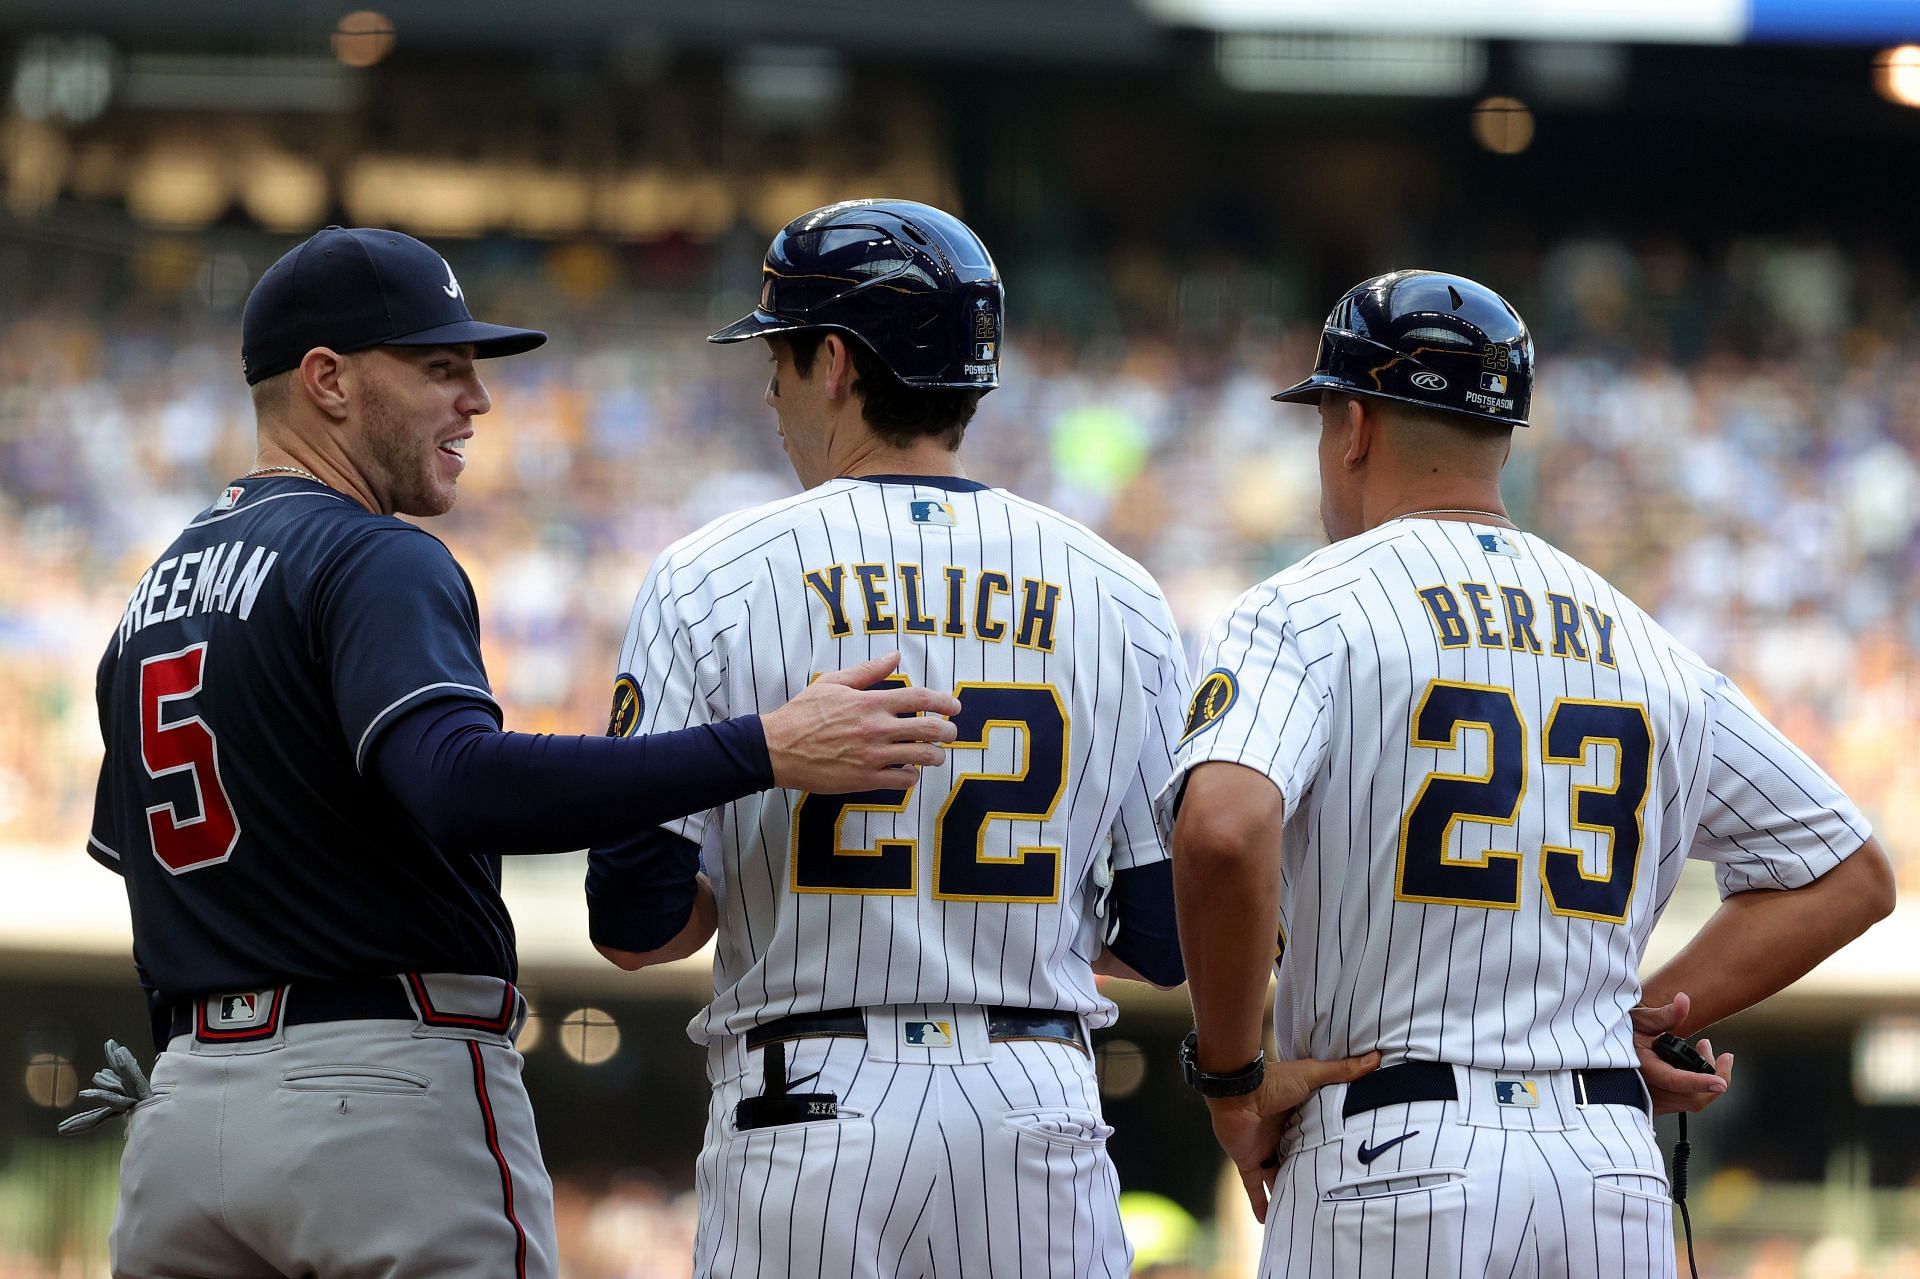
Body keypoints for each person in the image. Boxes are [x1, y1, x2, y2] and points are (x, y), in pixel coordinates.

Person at [77, 225, 960, 1279]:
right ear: (328, 381)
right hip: (379, 1098)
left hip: (183, 1120)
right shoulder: (372, 554)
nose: (477, 399)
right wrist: (762, 745)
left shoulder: (152, 598)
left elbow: (143, 874)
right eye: (440, 367)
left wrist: (210, 1069)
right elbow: (458, 781)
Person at [1157, 269, 1895, 1278]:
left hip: (1394, 1153)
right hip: (1605, 1167)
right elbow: (1848, 871)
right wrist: (1638, 1020)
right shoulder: (1639, 636)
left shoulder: (1307, 606)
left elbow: (1224, 830)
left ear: (1357, 425)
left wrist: (1231, 1077)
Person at [586, 199, 1191, 1278]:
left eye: (777, 354)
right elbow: (1161, 938)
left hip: (809, 1104)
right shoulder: (1121, 590)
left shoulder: (710, 575)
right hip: (1034, 1102)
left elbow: (634, 925)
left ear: (832, 361)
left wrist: (772, 891)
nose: (769, 389)